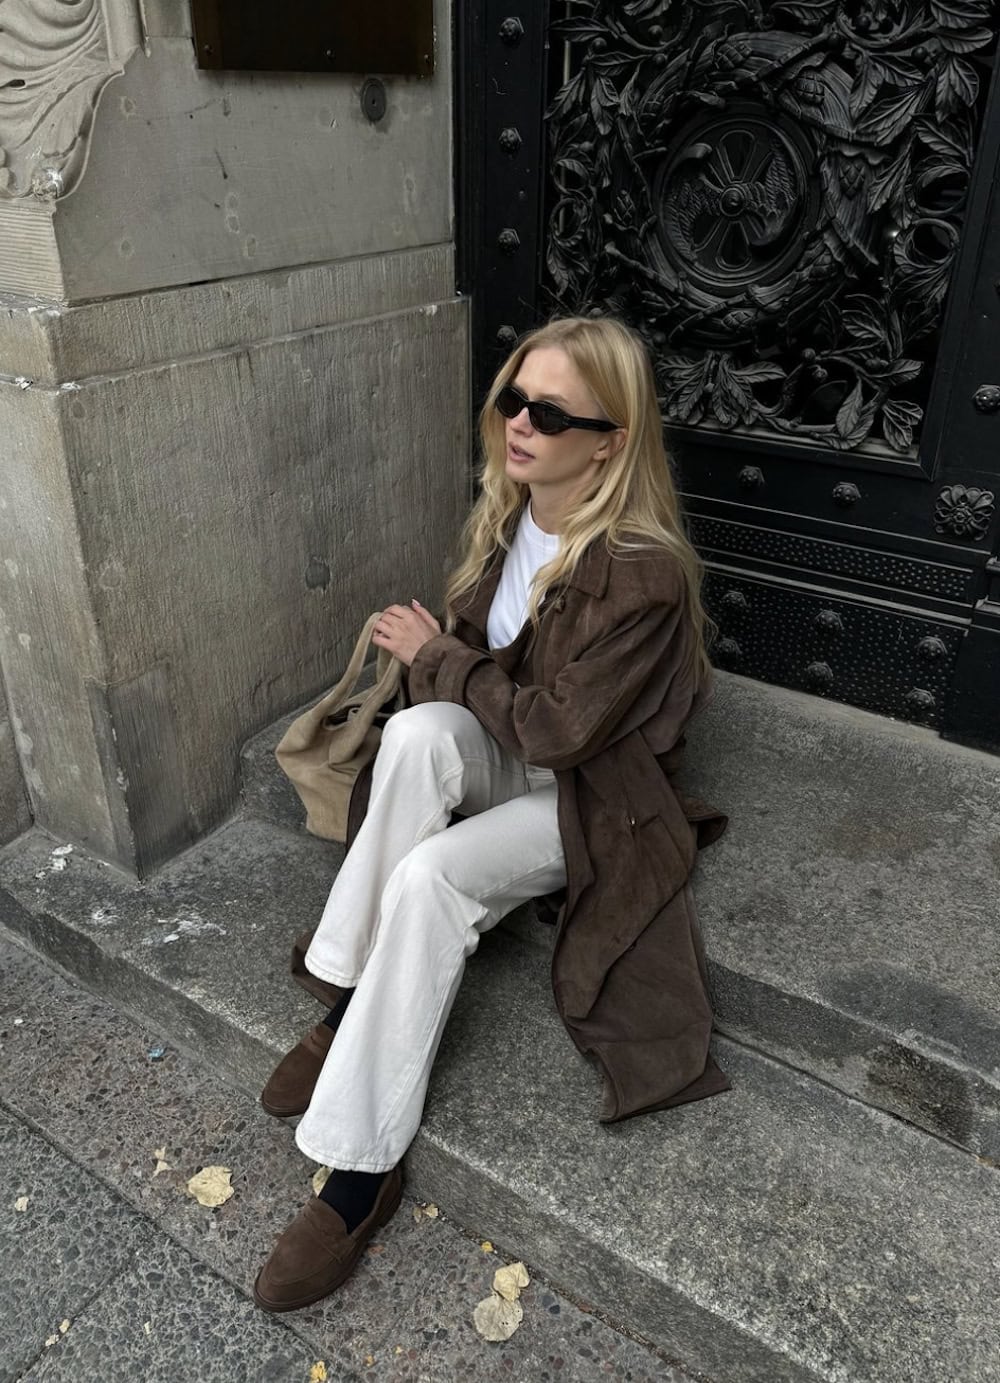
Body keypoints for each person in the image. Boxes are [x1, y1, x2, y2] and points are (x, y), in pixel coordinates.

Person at [252, 316, 728, 1314]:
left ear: (609, 437)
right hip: (512, 753)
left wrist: (439, 656)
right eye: (514, 396)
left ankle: (359, 1168)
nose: (520, 422)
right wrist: (441, 664)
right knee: (420, 736)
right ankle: (347, 1003)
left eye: (551, 412)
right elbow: (471, 689)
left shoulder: (639, 570)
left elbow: (558, 732)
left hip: (592, 800)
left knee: (432, 876)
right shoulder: (511, 514)